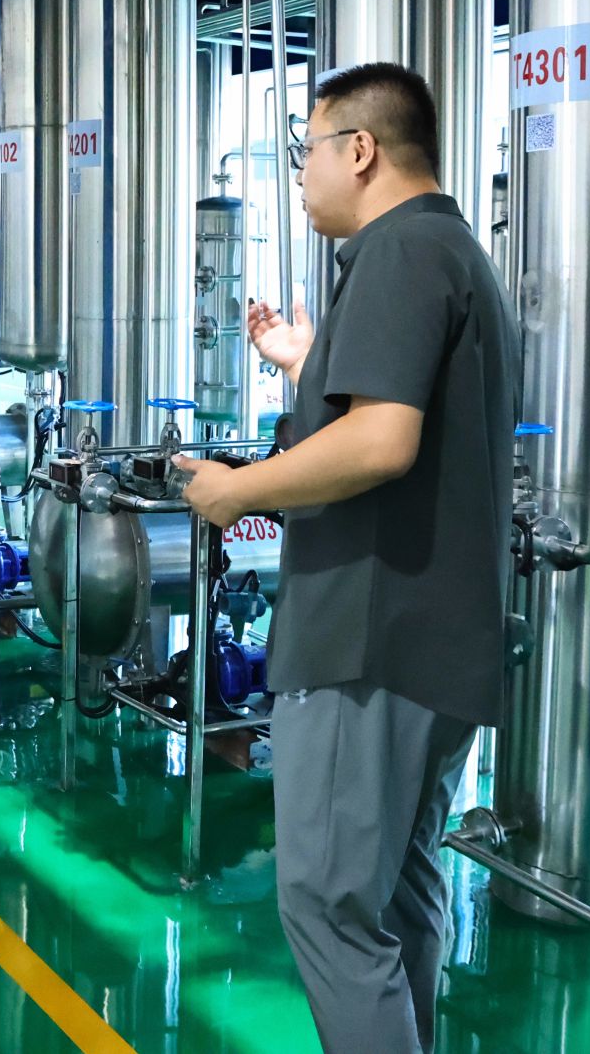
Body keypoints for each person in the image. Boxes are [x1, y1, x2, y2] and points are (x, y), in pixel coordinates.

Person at [174, 63, 518, 1054]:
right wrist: (309, 363)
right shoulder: (451, 250)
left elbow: (381, 441)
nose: (298, 173)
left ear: (359, 150)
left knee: (329, 908)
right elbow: (403, 411)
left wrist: (239, 490)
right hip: (437, 644)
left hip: (369, 643)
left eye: (307, 150)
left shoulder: (398, 249)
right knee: (400, 895)